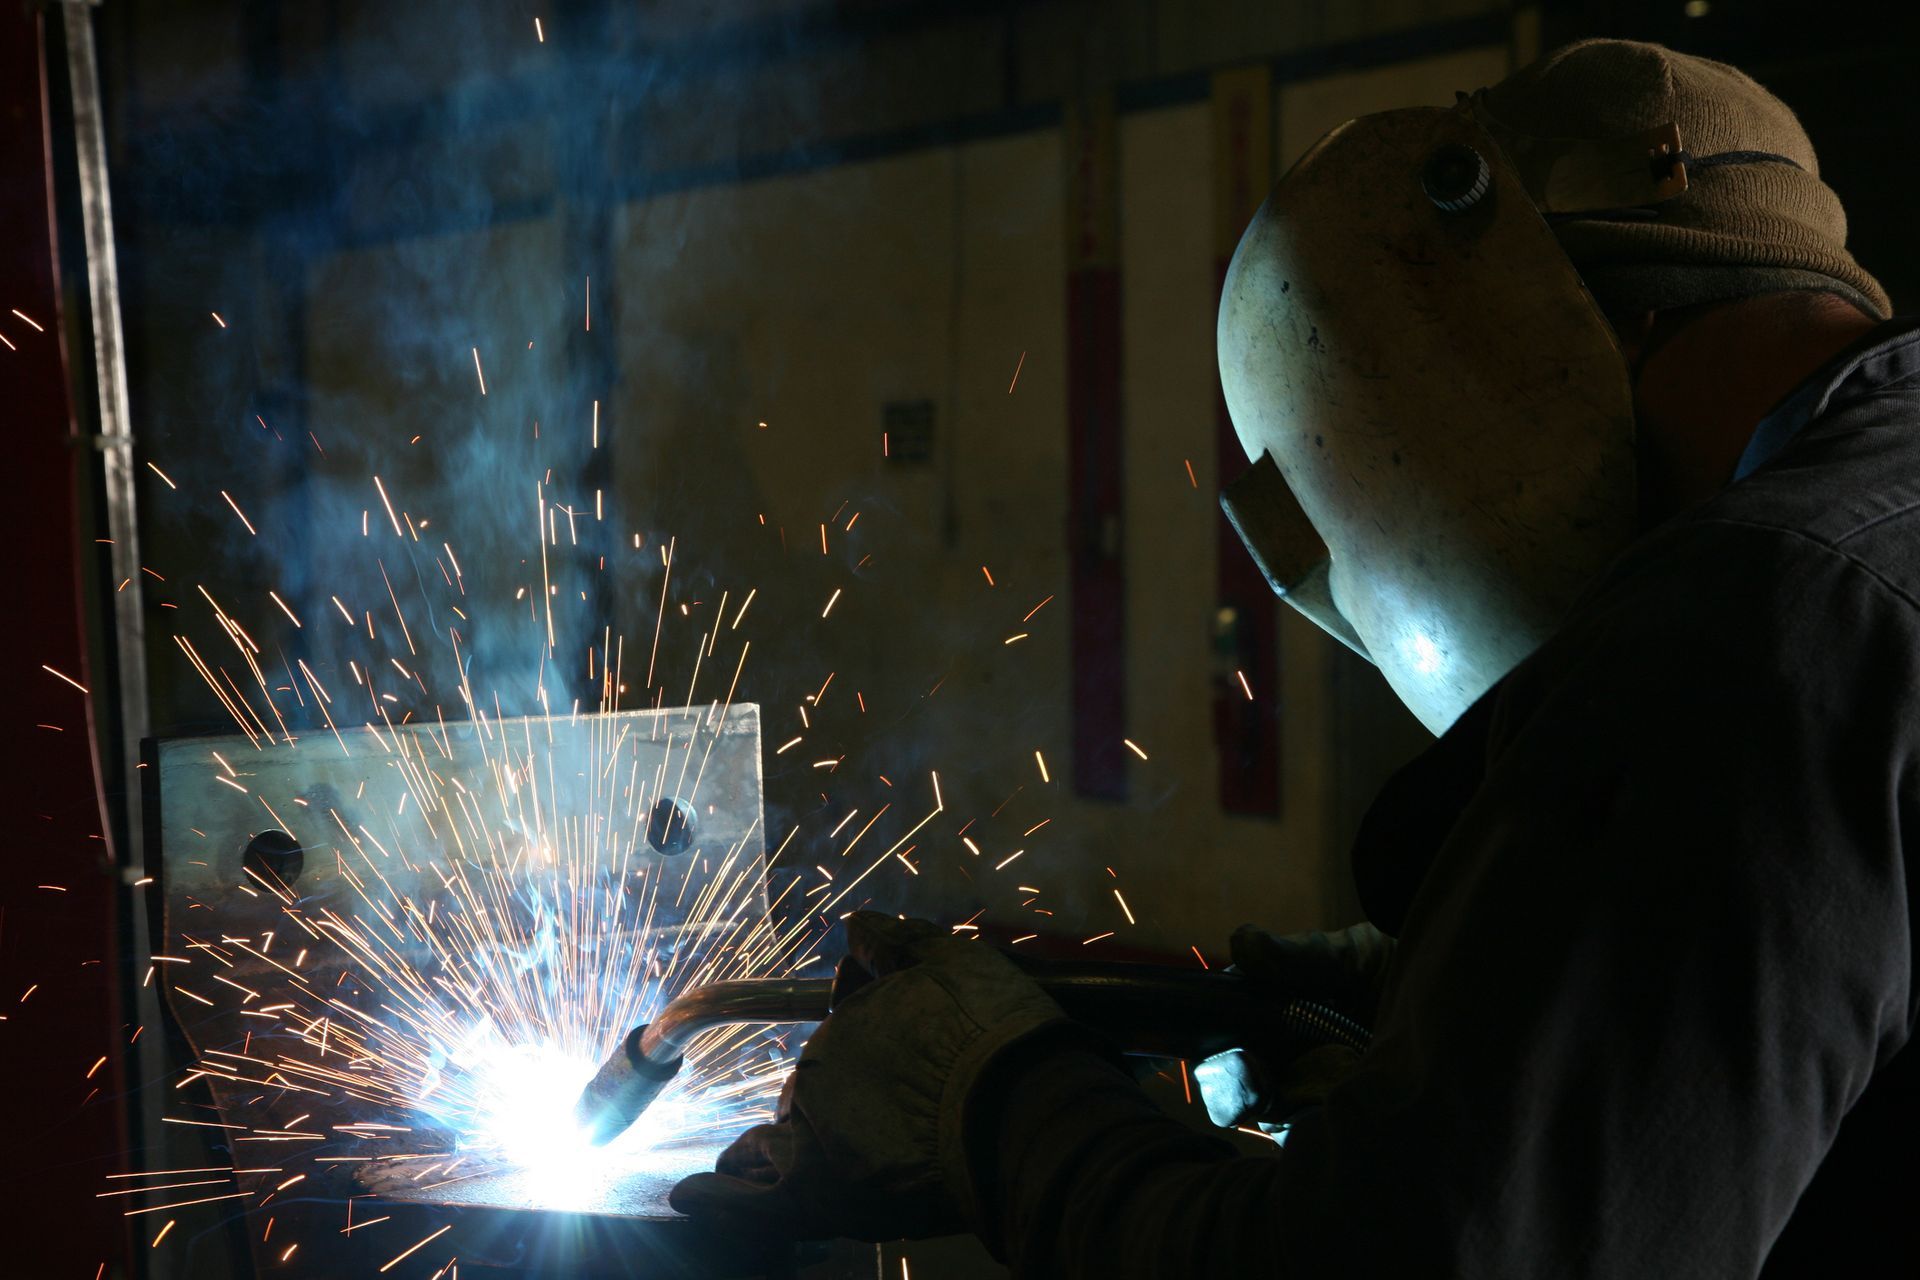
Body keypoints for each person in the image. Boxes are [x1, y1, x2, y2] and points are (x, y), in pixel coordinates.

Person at [670, 39, 1916, 1276]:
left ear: (1523, 329)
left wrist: (989, 1095)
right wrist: (1448, 982)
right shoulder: (1868, 537)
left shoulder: (1754, 622)